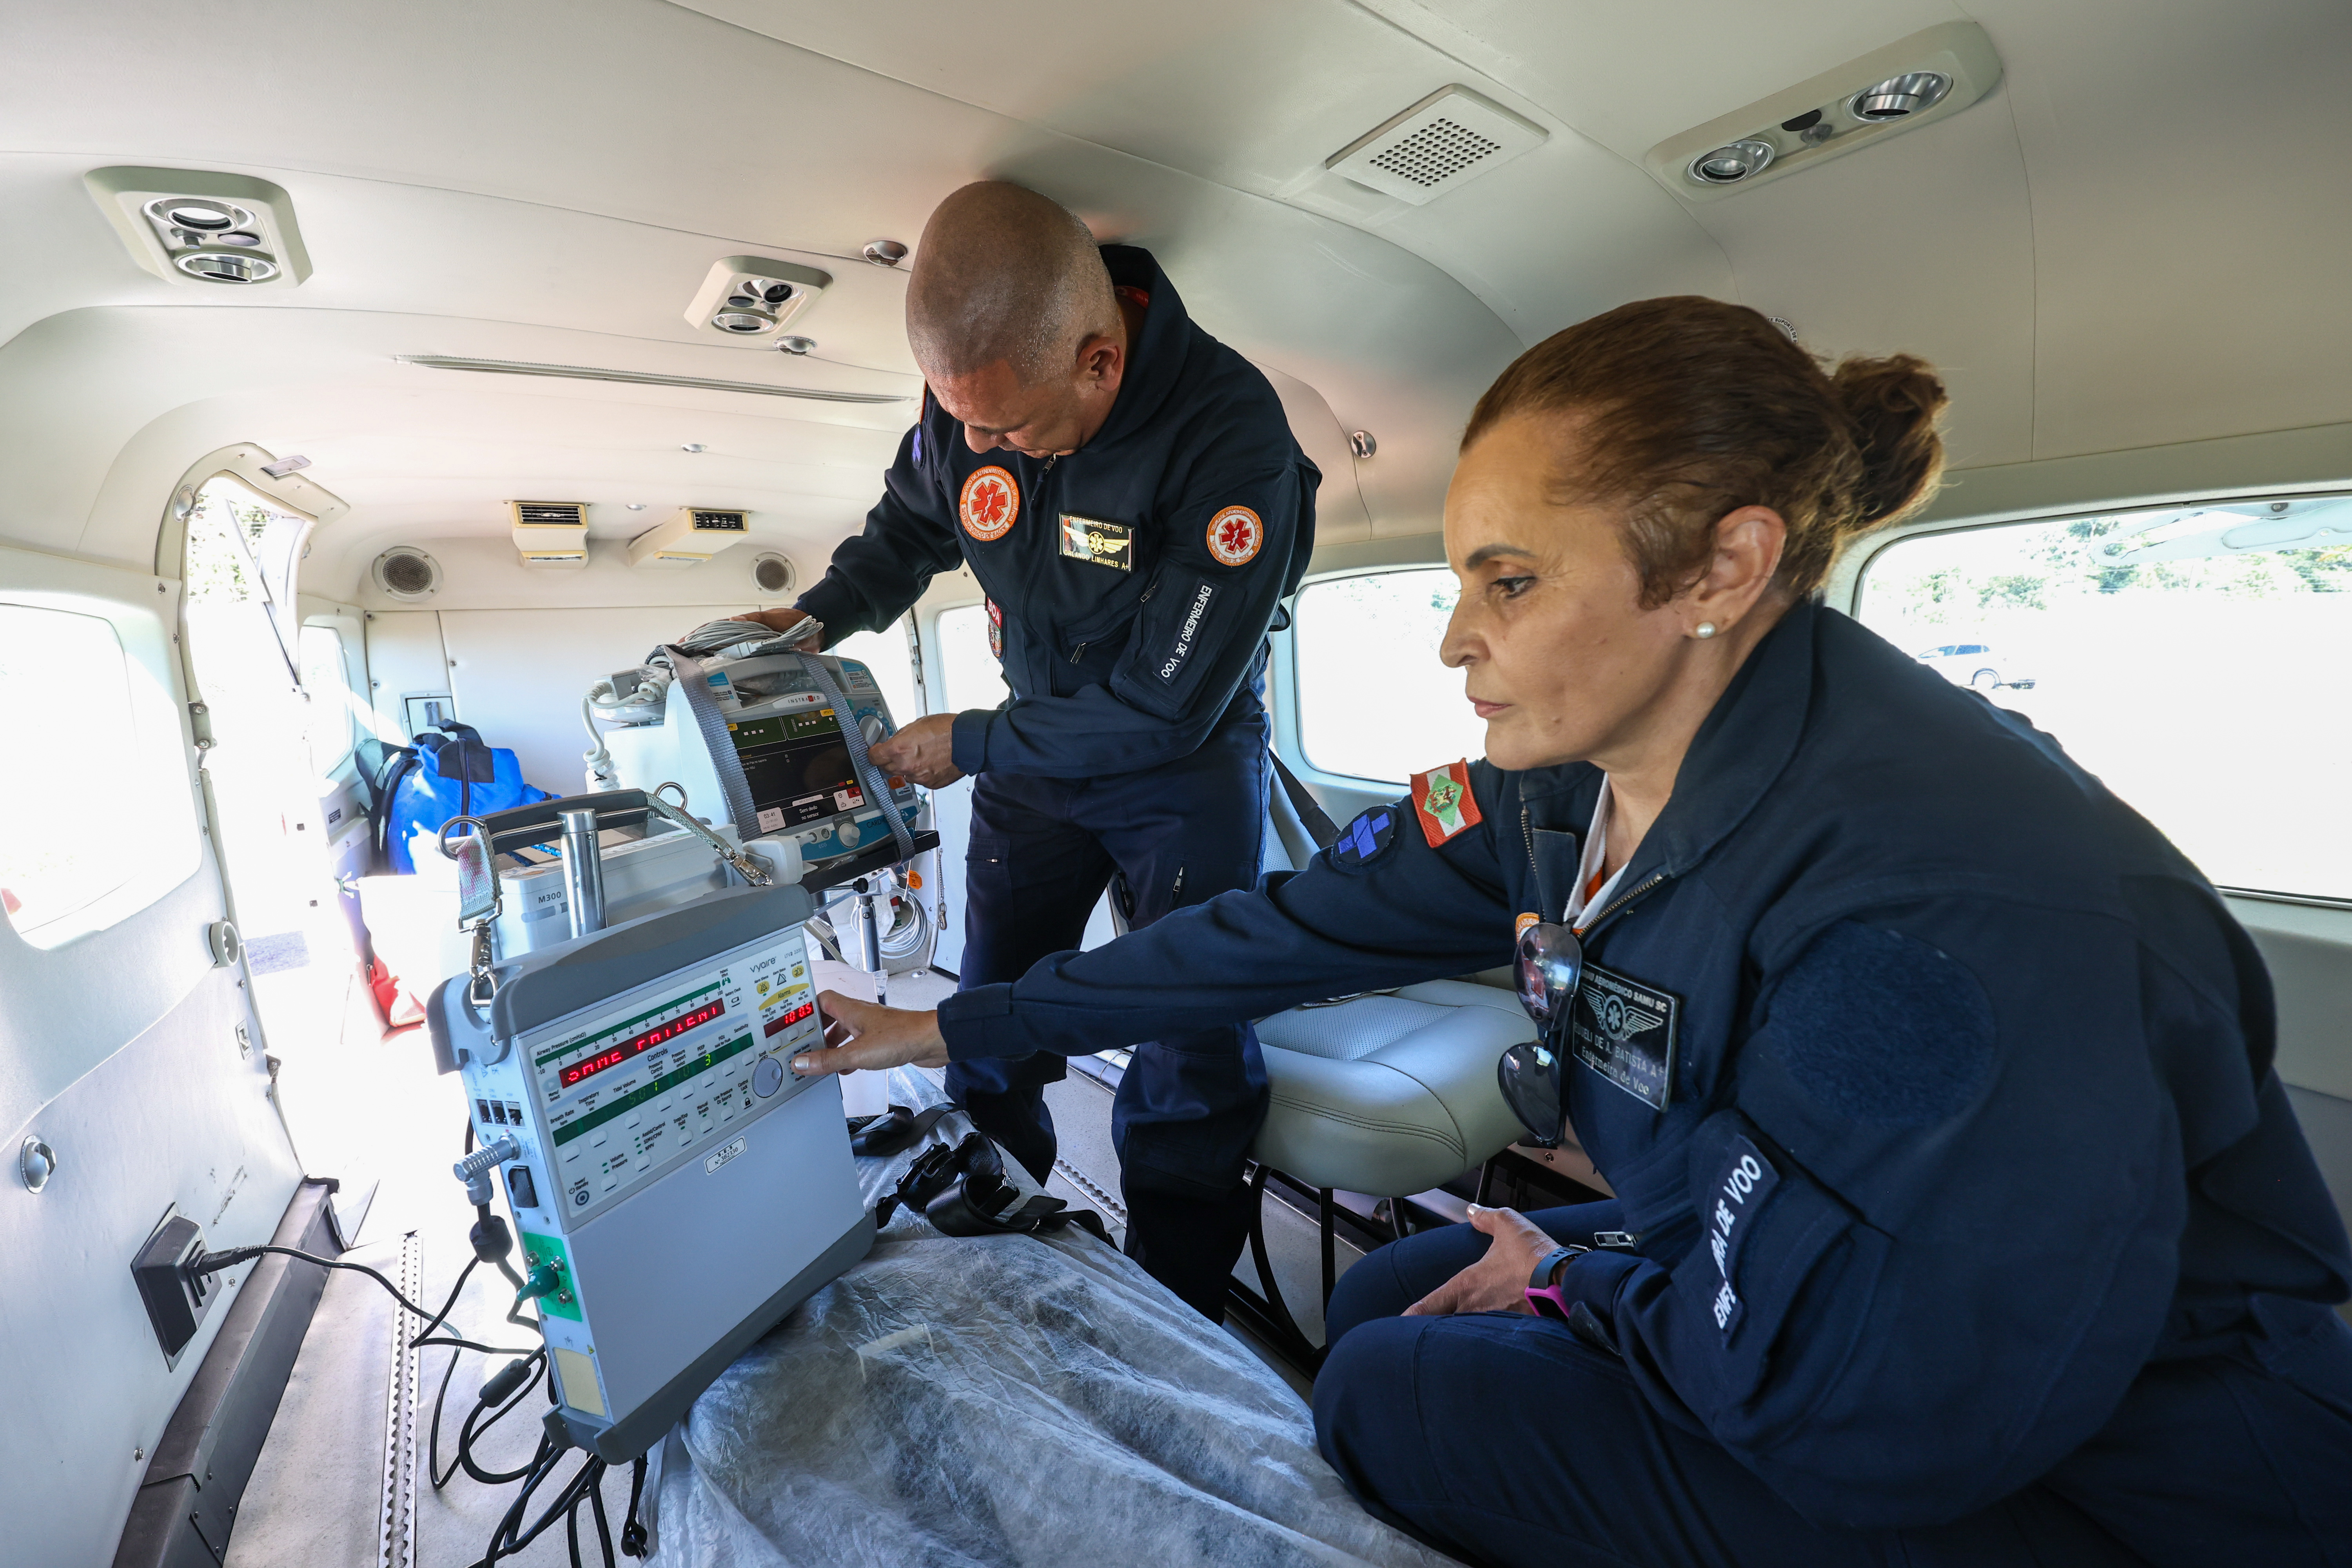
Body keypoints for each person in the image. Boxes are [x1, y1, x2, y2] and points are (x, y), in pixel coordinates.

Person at [787, 296, 2352, 1565]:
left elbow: (1857, 1410)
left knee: (1390, 1392)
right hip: (1822, 1285)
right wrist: (953, 1024)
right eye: (1463, 578)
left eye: (1511, 581)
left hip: (2086, 1450)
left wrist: (1584, 1282)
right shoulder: (1573, 790)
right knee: (1399, 1301)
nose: (1460, 637)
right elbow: (1276, 929)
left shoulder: (1936, 920)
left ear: (1722, 570)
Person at [731, 181, 1318, 1318]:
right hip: (1034, 762)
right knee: (993, 1003)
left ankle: (1176, 1300)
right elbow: (911, 523)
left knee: (1187, 1036)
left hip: (1179, 766)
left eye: (1003, 427)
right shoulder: (973, 404)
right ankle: (997, 1240)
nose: (980, 445)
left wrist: (974, 740)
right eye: (962, 422)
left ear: (1100, 362)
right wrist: (821, 616)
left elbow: (1165, 708)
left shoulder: (1229, 437)